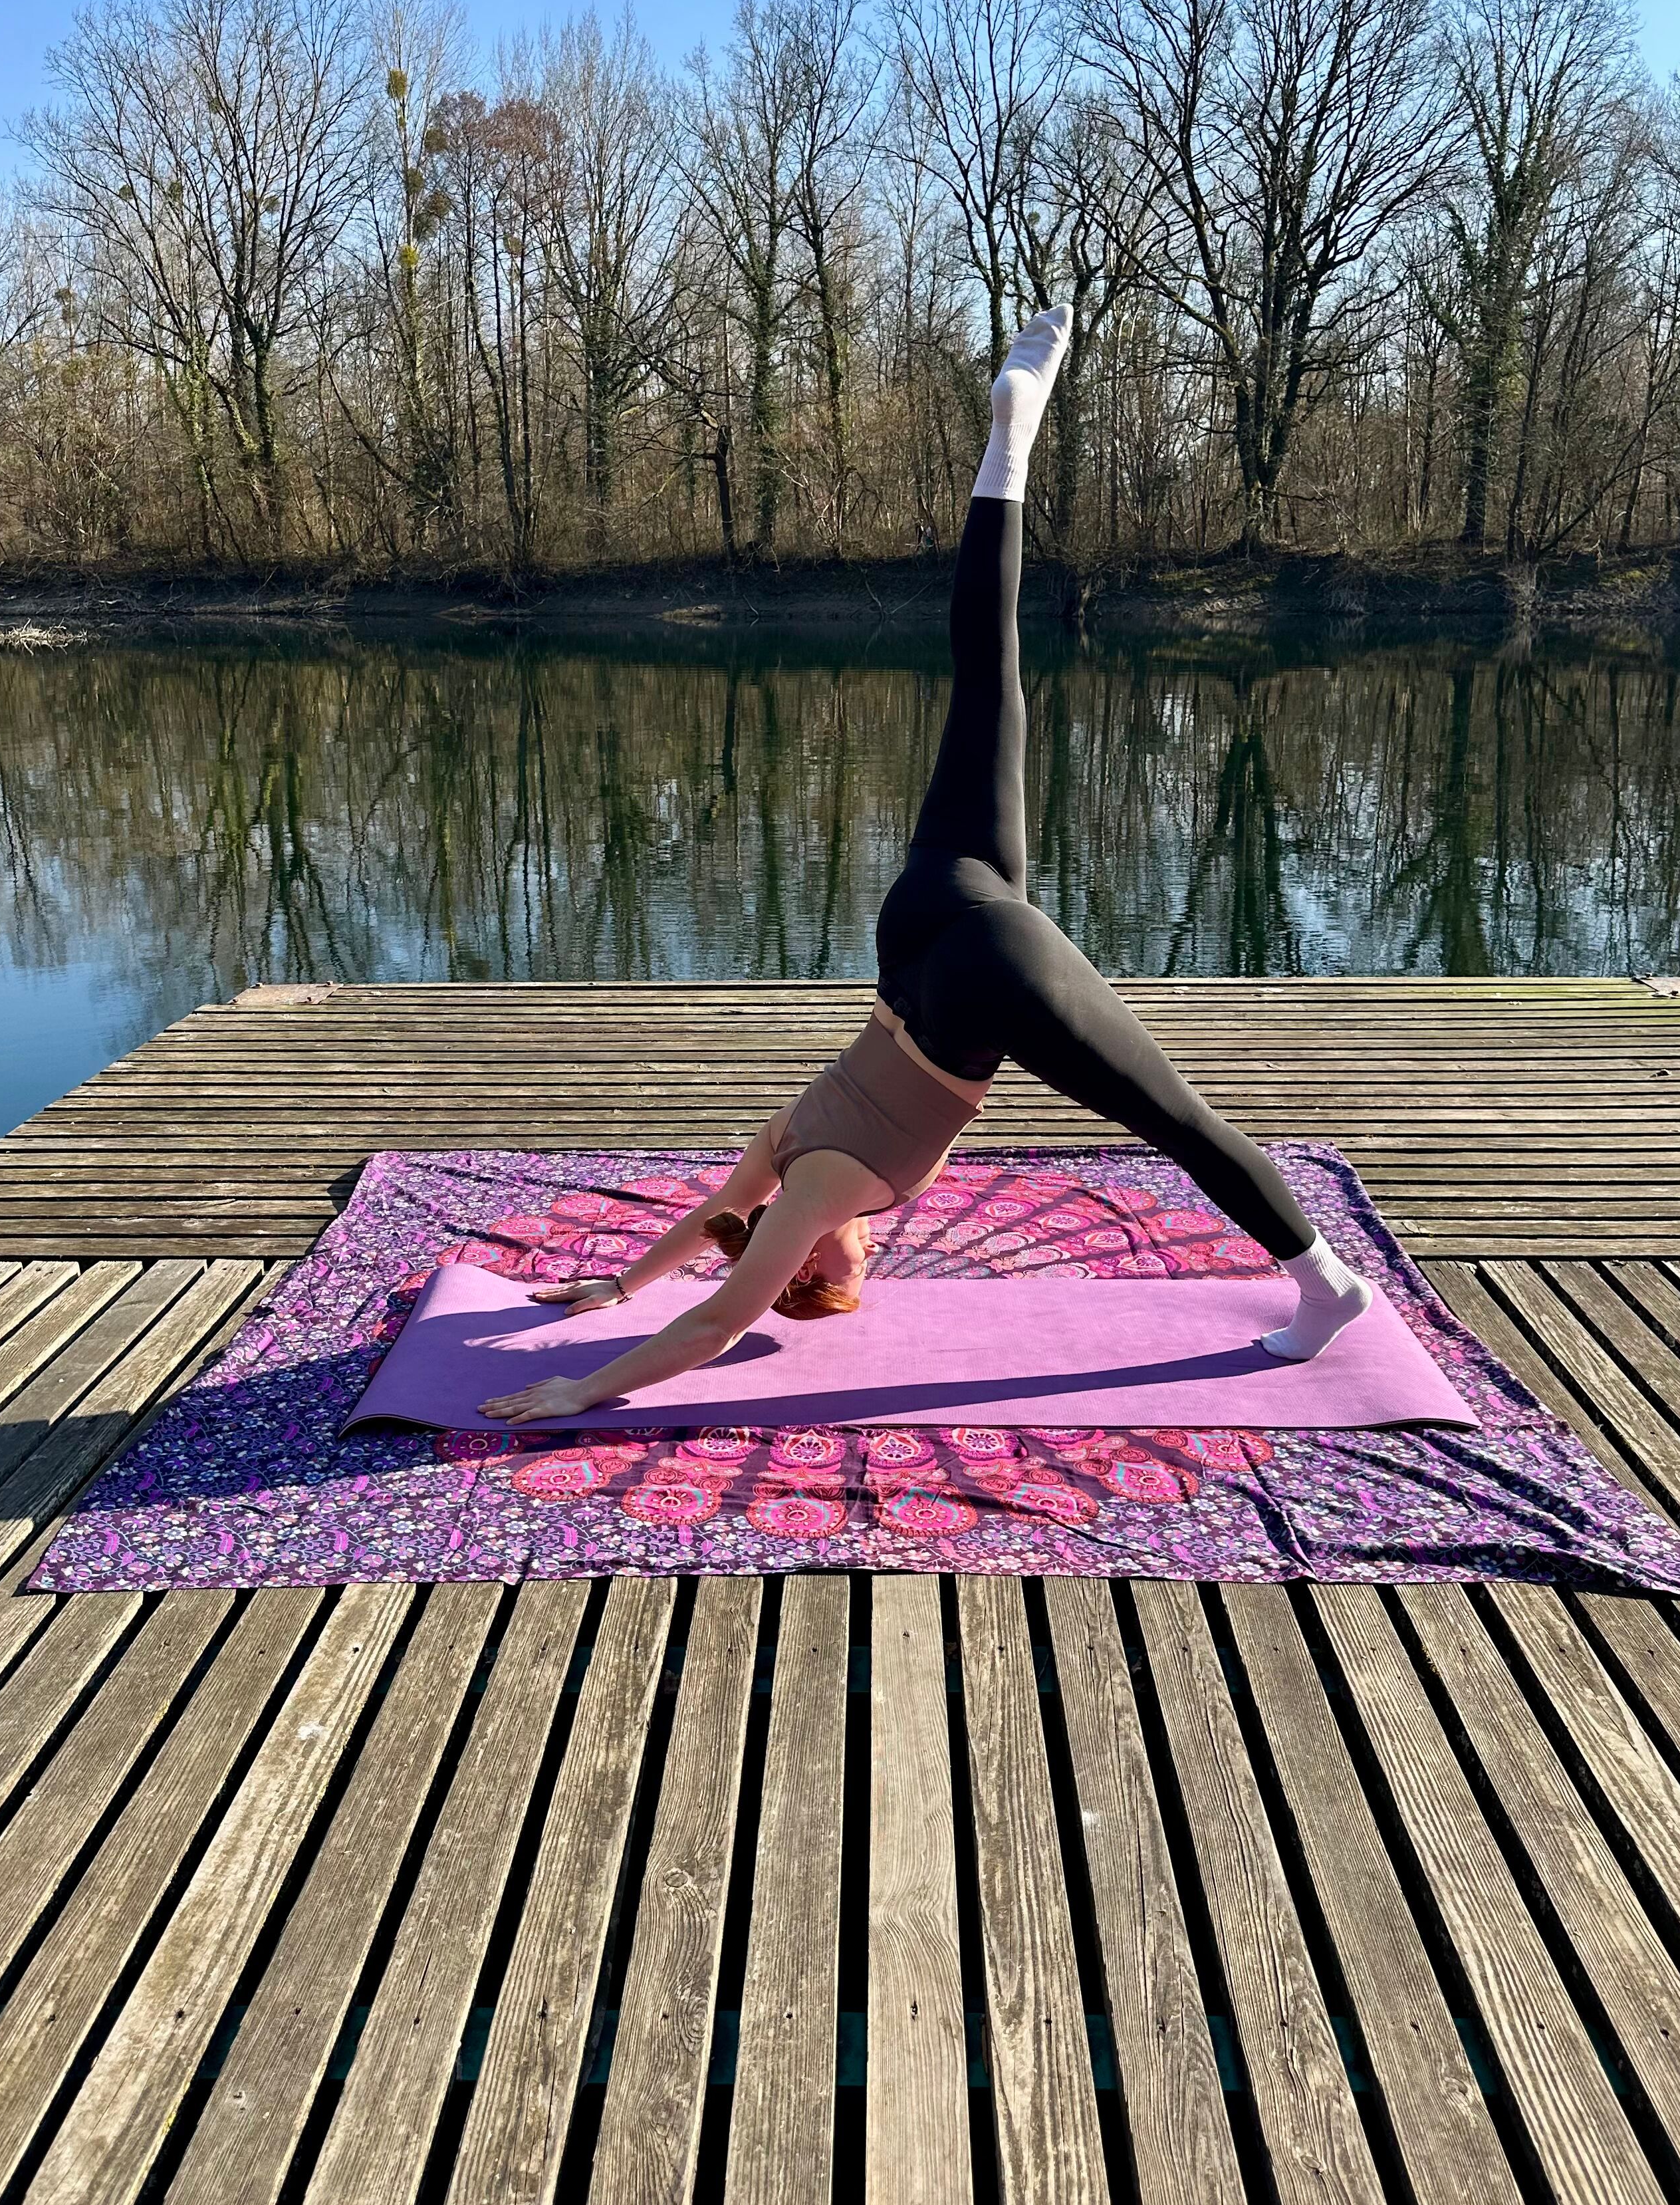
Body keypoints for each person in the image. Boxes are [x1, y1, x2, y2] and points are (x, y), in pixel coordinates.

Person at [479, 305, 1370, 1426]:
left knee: (1179, 1120)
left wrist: (583, 1389)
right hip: (918, 926)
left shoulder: (810, 1201)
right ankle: (1013, 440)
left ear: (810, 1262)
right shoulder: (780, 1149)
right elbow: (702, 1224)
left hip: (981, 975)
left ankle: (1324, 1282)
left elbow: (715, 1323)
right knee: (985, 670)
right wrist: (610, 1285)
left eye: (853, 1271)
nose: (864, 1258)